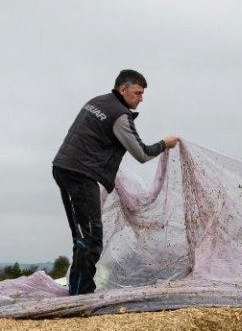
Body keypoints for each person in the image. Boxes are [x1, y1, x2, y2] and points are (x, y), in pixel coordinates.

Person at [50, 69, 181, 295]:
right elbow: (141, 153)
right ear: (123, 90)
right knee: (90, 239)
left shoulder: (97, 102)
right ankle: (81, 295)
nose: (141, 98)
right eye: (138, 93)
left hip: (66, 168)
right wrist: (164, 143)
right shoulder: (120, 115)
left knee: (82, 236)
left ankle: (79, 289)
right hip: (82, 175)